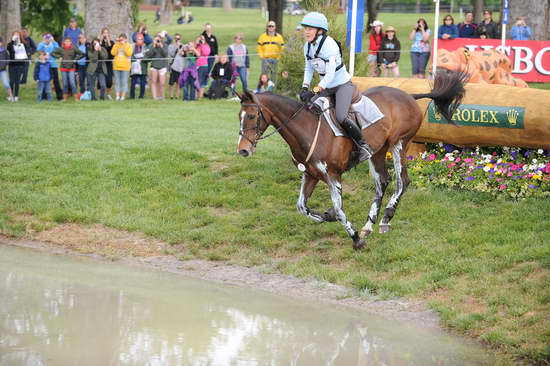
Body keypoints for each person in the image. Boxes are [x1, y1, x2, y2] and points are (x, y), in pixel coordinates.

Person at [299, 12, 373, 161]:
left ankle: (363, 145)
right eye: (305, 28)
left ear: (320, 31)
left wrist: (316, 89)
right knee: (308, 109)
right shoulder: (307, 47)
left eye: (310, 28)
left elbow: (331, 73)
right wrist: (305, 87)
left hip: (341, 85)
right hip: (326, 87)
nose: (306, 31)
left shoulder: (329, 45)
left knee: (340, 116)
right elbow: (309, 68)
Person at [7, 31, 32, 102]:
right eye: (14, 35)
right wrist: (12, 41)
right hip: (12, 65)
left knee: (17, 81)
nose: (16, 36)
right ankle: (11, 96)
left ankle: (16, 96)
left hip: (20, 65)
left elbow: (27, 52)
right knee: (11, 81)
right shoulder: (10, 44)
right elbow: (9, 48)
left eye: (17, 35)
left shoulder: (23, 44)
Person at [37, 33, 62, 100]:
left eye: (49, 37)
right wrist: (44, 42)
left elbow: (58, 49)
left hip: (53, 64)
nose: (48, 39)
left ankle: (59, 96)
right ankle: (43, 96)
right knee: (44, 80)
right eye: (46, 37)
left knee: (56, 80)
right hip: (44, 65)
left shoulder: (53, 43)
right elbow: (38, 50)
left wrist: (53, 41)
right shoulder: (41, 44)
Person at [145, 34, 169, 100]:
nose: (157, 40)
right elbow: (148, 55)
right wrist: (153, 46)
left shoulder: (164, 45)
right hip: (154, 66)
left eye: (158, 39)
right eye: (156, 39)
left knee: (162, 83)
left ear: (161, 39)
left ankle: (162, 96)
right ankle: (155, 97)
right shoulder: (151, 46)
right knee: (154, 82)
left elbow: (165, 54)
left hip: (162, 66)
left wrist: (161, 46)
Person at [111, 33, 132, 101]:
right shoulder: (116, 44)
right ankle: (117, 96)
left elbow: (129, 53)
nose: (121, 40)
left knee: (124, 82)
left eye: (122, 39)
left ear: (126, 39)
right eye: (120, 39)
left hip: (125, 67)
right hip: (116, 66)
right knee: (117, 82)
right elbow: (113, 53)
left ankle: (123, 96)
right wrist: (117, 44)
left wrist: (124, 45)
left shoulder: (128, 45)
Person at [130, 33, 149, 99]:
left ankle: (141, 96)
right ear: (136, 40)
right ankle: (132, 96)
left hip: (143, 67)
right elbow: (130, 57)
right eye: (138, 39)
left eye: (141, 39)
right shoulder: (132, 47)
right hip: (134, 67)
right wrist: (136, 60)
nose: (140, 40)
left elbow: (149, 58)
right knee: (133, 82)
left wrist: (142, 59)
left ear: (143, 40)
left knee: (142, 83)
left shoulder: (145, 47)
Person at [99, 28, 114, 99]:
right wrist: (100, 40)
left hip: (108, 63)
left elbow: (112, 53)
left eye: (107, 33)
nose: (105, 34)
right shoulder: (99, 42)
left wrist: (108, 41)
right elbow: (98, 49)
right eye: (104, 33)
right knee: (100, 81)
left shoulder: (111, 42)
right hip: (101, 63)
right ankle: (101, 94)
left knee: (109, 80)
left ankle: (108, 94)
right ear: (102, 34)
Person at [194, 34, 210, 99]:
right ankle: (195, 96)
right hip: (196, 66)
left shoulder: (206, 46)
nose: (201, 40)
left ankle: (200, 97)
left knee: (202, 82)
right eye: (200, 38)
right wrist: (196, 42)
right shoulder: (196, 46)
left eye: (202, 38)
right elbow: (193, 53)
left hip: (203, 65)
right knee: (196, 81)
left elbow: (205, 53)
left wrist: (202, 44)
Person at [168, 33, 184, 99]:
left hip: (180, 67)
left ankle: (177, 96)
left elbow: (184, 54)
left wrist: (180, 48)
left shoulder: (183, 46)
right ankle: (171, 96)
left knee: (178, 83)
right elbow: (171, 54)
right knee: (171, 83)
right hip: (173, 66)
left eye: (178, 38)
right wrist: (176, 47)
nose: (177, 40)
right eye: (176, 38)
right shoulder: (171, 46)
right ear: (174, 39)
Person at [0, 37, 14, 102]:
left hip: (3, 71)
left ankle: (11, 97)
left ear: (1, 43)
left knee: (6, 84)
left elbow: (8, 59)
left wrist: (4, 64)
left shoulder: (4, 51)